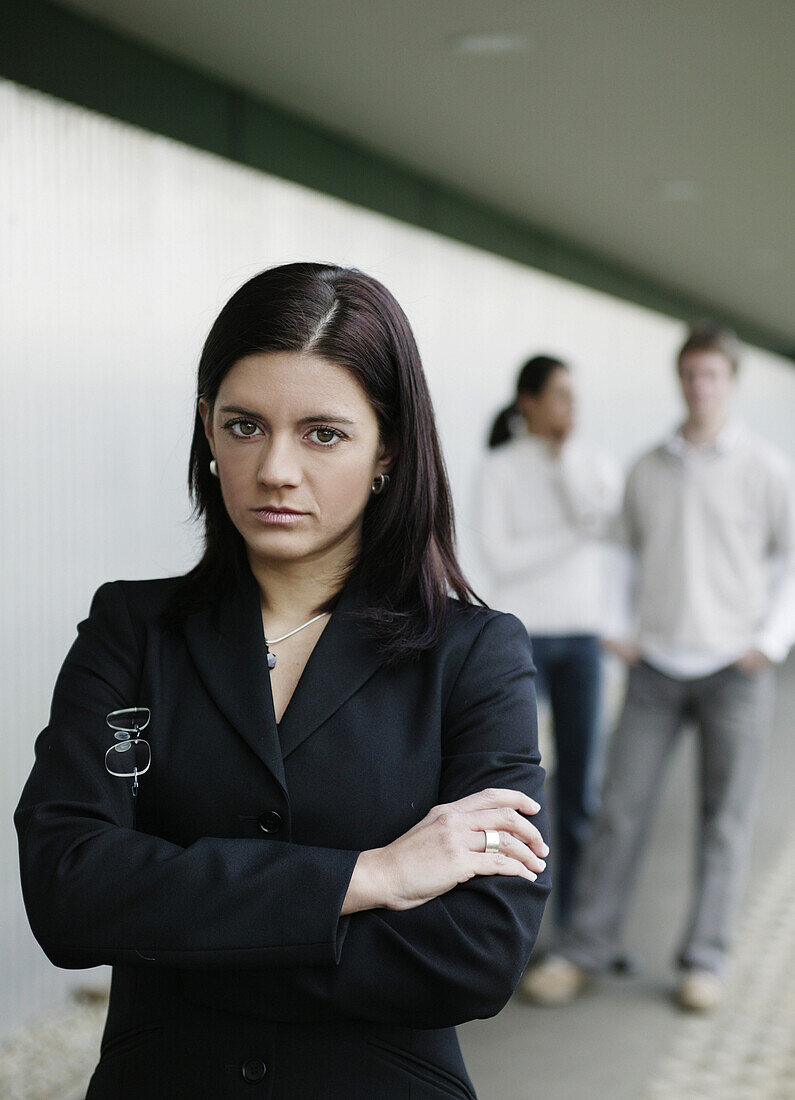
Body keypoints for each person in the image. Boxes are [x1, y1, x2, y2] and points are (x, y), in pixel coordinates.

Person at [15, 262, 551, 1099]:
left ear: (389, 449)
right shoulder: (131, 632)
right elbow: (68, 890)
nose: (274, 470)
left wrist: (177, 928)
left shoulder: (473, 655)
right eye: (244, 426)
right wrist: (364, 879)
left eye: (323, 433)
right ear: (206, 428)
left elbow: (474, 955)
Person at [523, 323, 795, 1012]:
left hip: (736, 671)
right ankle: (580, 949)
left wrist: (770, 639)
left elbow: (790, 558)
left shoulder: (766, 469)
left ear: (730, 383)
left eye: (711, 376)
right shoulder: (646, 467)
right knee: (617, 812)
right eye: (690, 375)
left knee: (723, 822)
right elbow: (619, 553)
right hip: (655, 669)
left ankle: (705, 960)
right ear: (679, 380)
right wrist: (615, 627)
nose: (699, 387)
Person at [476, 356, 622, 930]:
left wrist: (564, 466)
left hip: (584, 642)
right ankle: (508, 919)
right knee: (518, 793)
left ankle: (577, 927)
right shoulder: (498, 467)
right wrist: (570, 537)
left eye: (574, 394)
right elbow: (501, 557)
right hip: (523, 640)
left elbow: (599, 521)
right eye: (559, 394)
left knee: (582, 790)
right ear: (527, 402)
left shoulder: (594, 464)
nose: (571, 406)